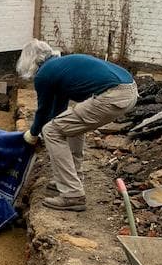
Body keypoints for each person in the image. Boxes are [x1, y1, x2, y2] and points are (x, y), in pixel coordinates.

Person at [17, 40, 138, 212]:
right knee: (68, 124)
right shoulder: (61, 66)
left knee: (50, 131)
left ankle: (72, 194)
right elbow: (58, 113)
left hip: (113, 95)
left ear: (30, 61)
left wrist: (32, 135)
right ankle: (73, 177)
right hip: (129, 90)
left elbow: (43, 112)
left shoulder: (45, 74)